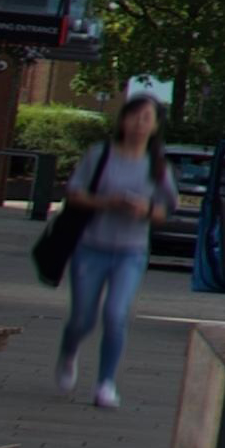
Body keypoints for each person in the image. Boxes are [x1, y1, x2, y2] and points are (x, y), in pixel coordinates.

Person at [53, 97, 172, 407]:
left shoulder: (158, 166)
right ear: (122, 121)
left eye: (146, 118)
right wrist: (107, 202)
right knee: (83, 317)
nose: (139, 123)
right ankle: (69, 351)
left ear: (155, 125)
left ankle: (106, 383)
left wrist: (146, 209)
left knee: (116, 314)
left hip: (130, 252)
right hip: (91, 246)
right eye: (134, 116)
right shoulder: (100, 154)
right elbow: (74, 193)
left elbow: (165, 210)